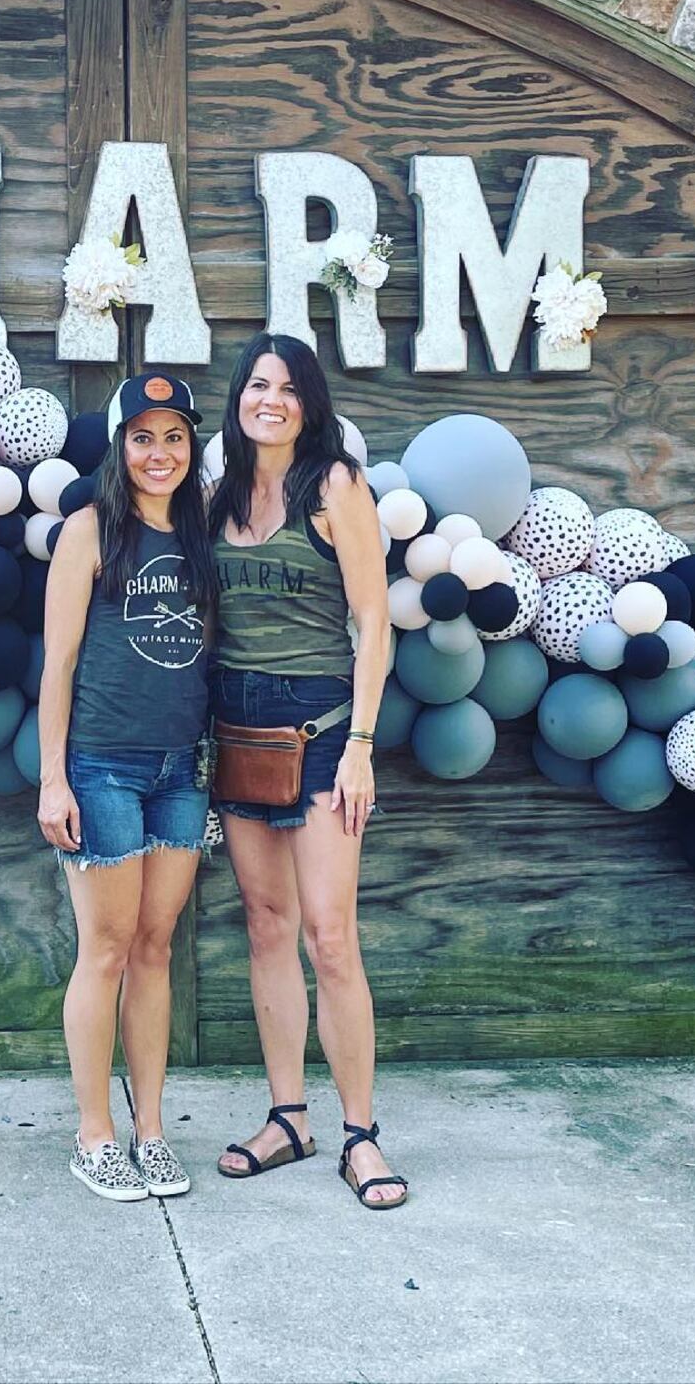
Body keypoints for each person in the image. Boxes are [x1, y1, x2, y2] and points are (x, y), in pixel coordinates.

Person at [207, 334, 406, 1210]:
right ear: (239, 400)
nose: (272, 400)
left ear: (310, 402)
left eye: (289, 388)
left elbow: (375, 619)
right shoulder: (214, 497)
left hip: (323, 733)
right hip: (239, 730)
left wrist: (361, 745)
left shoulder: (334, 486)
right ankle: (289, 1116)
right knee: (265, 925)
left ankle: (360, 1133)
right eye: (258, 384)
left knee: (331, 936)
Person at [37, 372, 215, 1201]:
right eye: (142, 437)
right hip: (103, 766)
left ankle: (150, 1131)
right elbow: (61, 663)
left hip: (182, 770)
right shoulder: (89, 532)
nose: (159, 453)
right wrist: (53, 780)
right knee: (105, 950)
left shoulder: (204, 534)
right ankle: (95, 1135)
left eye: (173, 436)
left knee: (154, 949)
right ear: (118, 447)